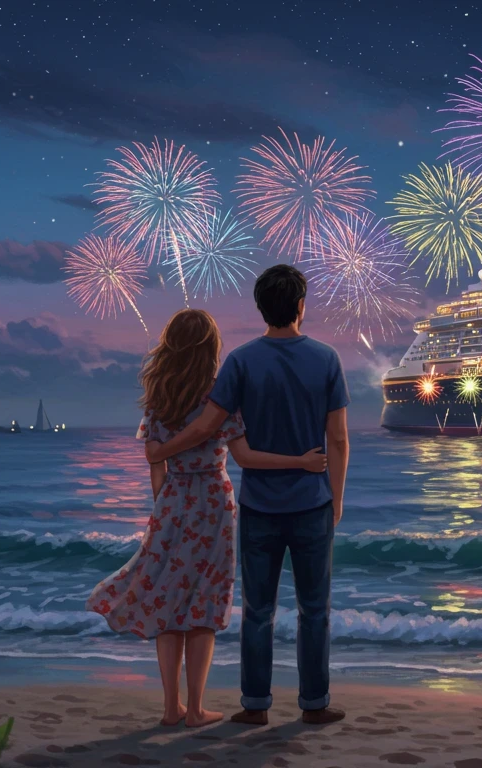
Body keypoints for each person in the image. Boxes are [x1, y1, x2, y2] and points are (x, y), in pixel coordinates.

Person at [86, 308, 328, 728]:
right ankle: (196, 708)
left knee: (167, 600)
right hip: (214, 502)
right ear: (209, 350)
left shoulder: (160, 399)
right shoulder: (219, 399)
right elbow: (245, 457)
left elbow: (154, 462)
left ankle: (170, 708)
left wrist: (164, 504)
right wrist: (300, 462)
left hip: (173, 499)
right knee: (203, 605)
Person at [146, 265, 350, 726]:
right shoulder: (326, 359)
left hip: (258, 505)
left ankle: (254, 704)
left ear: (261, 308)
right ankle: (313, 703)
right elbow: (337, 439)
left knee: (257, 609)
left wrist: (160, 451)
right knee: (314, 609)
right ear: (301, 306)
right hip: (312, 501)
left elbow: (205, 425)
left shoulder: (239, 361)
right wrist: (335, 496)